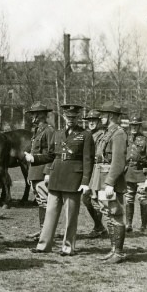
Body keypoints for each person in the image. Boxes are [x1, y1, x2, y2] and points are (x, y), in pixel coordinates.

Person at [30, 103, 94, 256]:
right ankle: (44, 245)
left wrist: (85, 182)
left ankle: (68, 247)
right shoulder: (58, 134)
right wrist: (36, 160)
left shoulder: (85, 135)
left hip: (73, 178)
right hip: (56, 176)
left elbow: (88, 160)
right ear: (64, 117)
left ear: (78, 117)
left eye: (74, 117)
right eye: (68, 117)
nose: (71, 119)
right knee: (50, 212)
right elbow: (51, 155)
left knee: (70, 215)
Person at [89, 101, 129, 263]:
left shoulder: (118, 134)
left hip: (110, 181)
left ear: (111, 115)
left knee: (115, 213)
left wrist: (110, 182)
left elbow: (119, 162)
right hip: (101, 178)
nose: (100, 117)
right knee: (108, 213)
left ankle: (118, 252)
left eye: (103, 115)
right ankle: (113, 250)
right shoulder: (107, 132)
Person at [23, 102, 56, 241]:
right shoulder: (38, 130)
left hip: (42, 172)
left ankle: (47, 232)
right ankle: (43, 229)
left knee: (45, 202)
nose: (32, 117)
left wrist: (48, 172)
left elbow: (52, 154)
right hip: (35, 172)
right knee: (40, 202)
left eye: (34, 114)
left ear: (41, 115)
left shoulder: (49, 130)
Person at [124, 113, 147, 234]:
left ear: (139, 126)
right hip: (128, 173)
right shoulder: (125, 139)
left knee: (142, 199)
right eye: (132, 125)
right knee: (129, 199)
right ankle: (128, 224)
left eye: (136, 125)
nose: (134, 127)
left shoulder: (146, 140)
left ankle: (143, 226)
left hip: (142, 174)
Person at [82, 109, 108, 238]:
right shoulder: (87, 134)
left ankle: (100, 227)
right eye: (89, 120)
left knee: (97, 199)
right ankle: (99, 226)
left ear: (99, 122)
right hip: (89, 169)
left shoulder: (102, 135)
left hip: (98, 169)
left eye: (94, 120)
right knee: (87, 199)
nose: (91, 122)